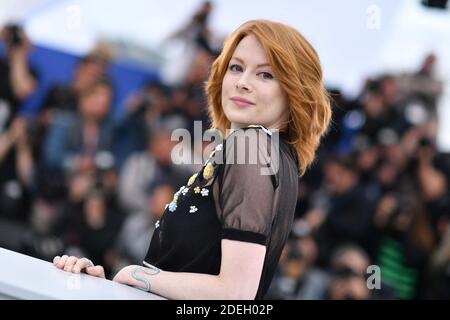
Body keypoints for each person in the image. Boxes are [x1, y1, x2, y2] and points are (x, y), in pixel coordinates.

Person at [53, 19, 332, 300]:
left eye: (266, 75)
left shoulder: (252, 146)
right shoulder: (271, 154)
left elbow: (237, 293)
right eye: (236, 67)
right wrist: (108, 287)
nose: (243, 82)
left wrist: (138, 275)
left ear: (295, 90)